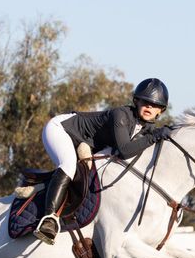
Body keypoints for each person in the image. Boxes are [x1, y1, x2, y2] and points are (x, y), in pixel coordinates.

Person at [34, 78, 173, 244]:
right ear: (136, 101)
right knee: (69, 165)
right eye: (146, 101)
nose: (150, 106)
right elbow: (125, 151)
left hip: (83, 142)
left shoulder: (145, 128)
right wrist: (156, 136)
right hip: (61, 129)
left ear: (161, 111)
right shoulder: (120, 115)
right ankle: (49, 220)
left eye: (155, 104)